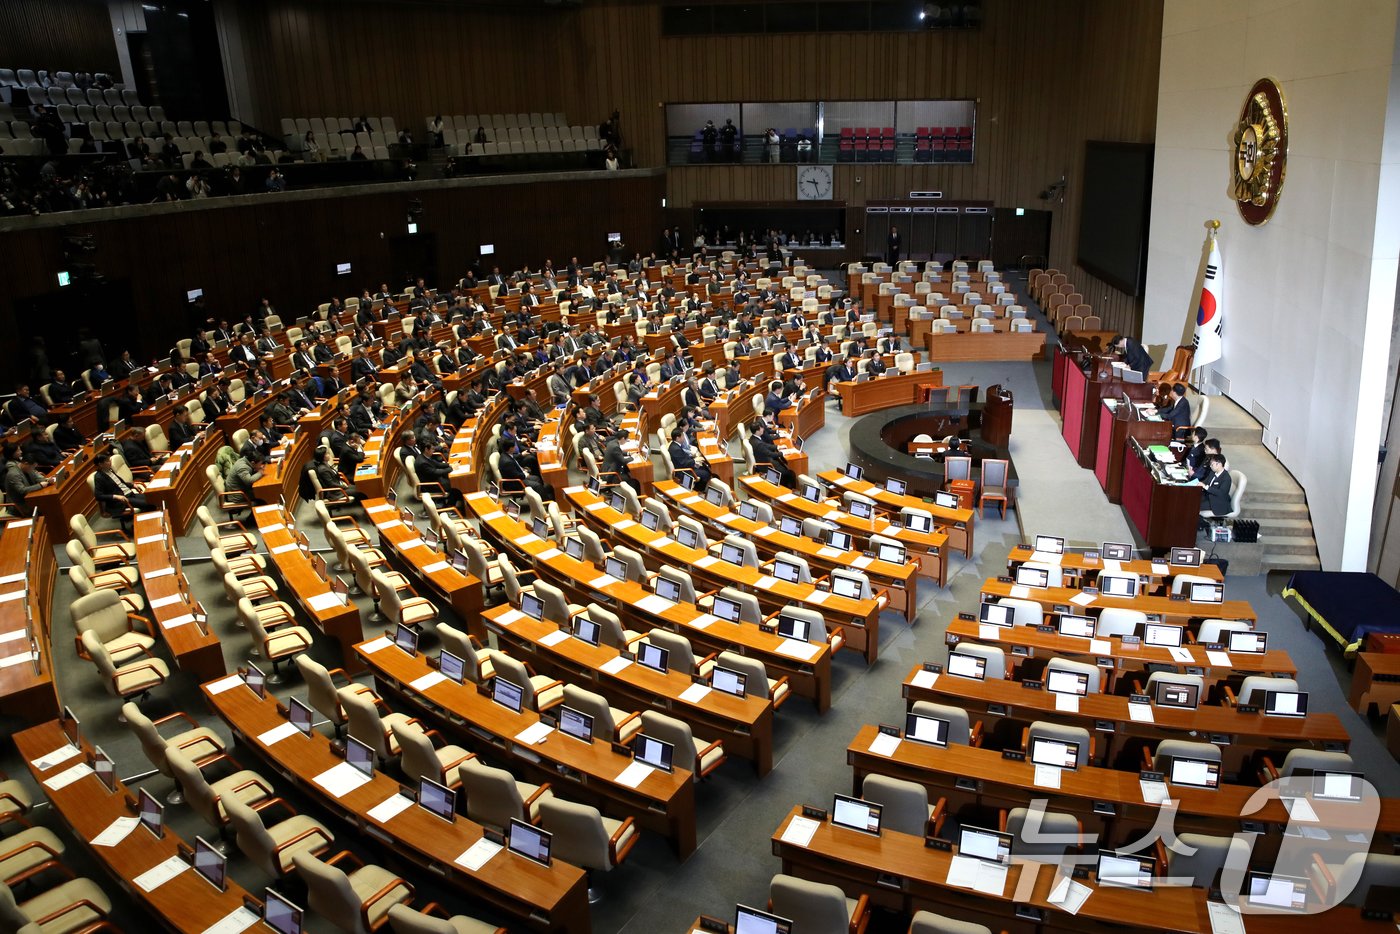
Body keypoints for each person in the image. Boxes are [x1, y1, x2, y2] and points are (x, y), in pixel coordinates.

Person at [92, 452, 147, 527]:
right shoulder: (99, 477)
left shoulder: (110, 470)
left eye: (110, 460)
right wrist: (116, 496)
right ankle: (139, 526)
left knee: (152, 498)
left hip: (129, 494)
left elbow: (120, 483)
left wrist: (132, 485)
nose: (110, 462)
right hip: (121, 501)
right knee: (147, 503)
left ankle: (142, 523)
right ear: (100, 464)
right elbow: (98, 496)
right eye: (107, 461)